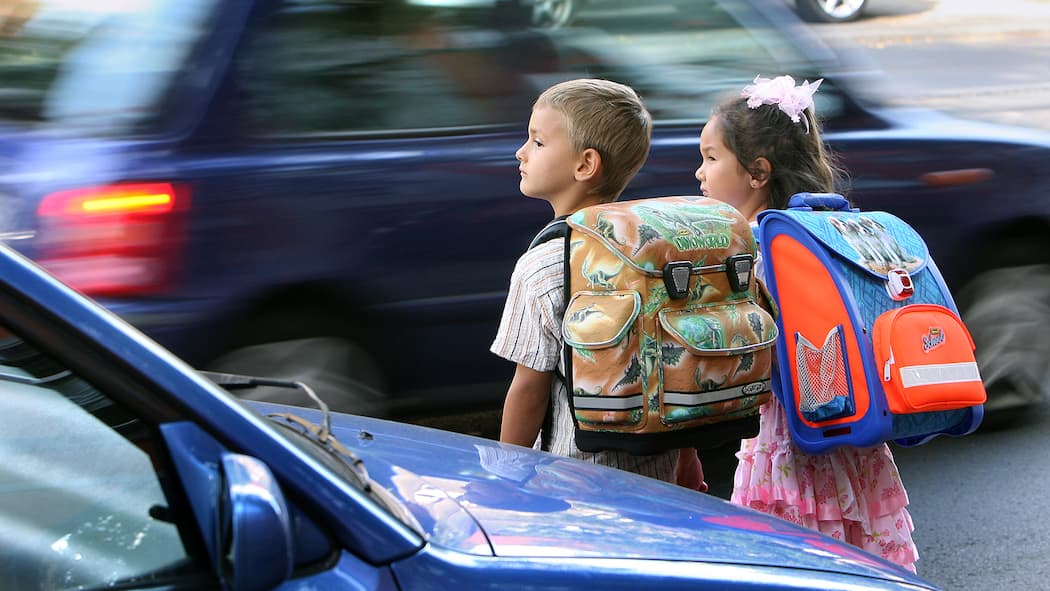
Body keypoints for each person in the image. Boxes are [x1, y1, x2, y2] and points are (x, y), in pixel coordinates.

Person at [694, 74, 919, 572]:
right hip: (851, 430)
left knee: (794, 561)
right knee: (858, 557)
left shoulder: (749, 248)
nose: (699, 173)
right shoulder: (827, 227)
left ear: (757, 172)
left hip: (789, 437)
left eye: (711, 158)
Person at [491, 78, 706, 490]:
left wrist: (505, 479)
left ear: (585, 165)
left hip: (570, 483)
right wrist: (687, 459)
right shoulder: (659, 253)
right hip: (656, 480)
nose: (521, 152)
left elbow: (528, 391)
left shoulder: (545, 265)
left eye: (537, 142)